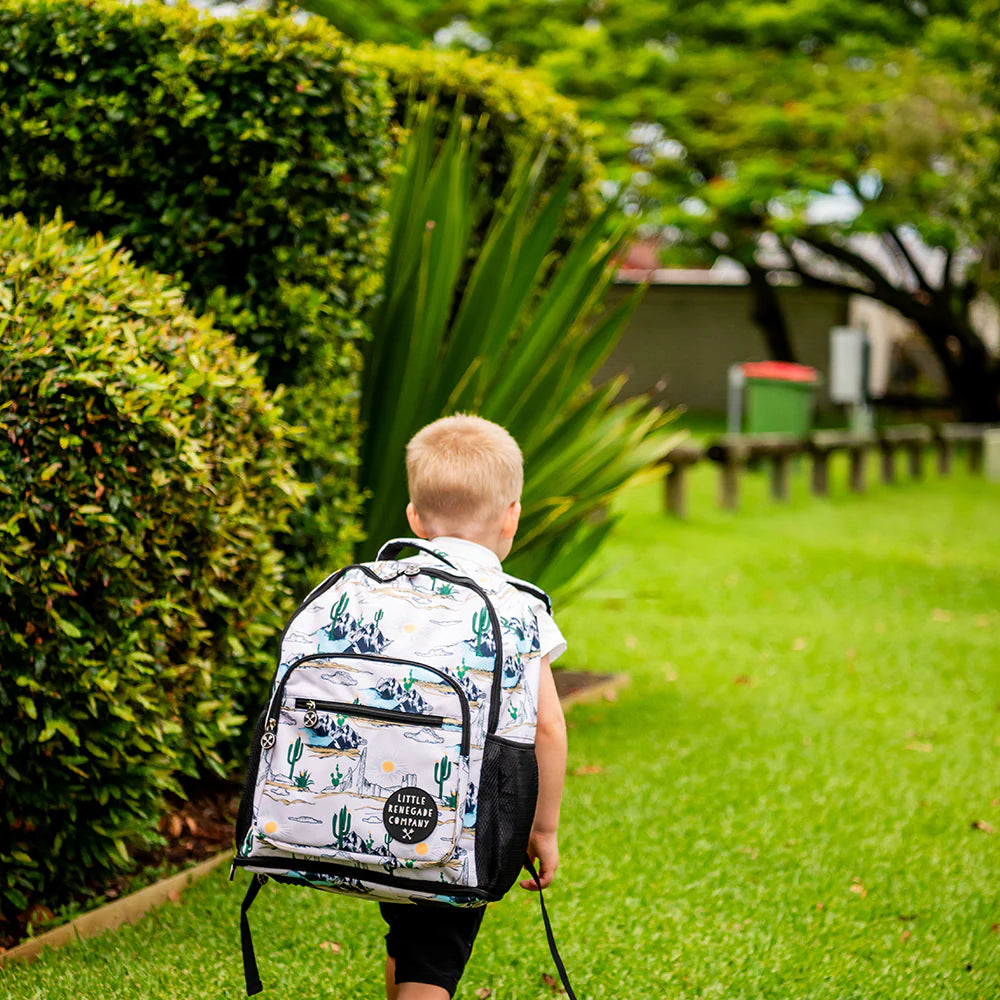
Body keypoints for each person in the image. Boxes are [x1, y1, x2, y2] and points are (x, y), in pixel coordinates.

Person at [381, 413, 569, 1000]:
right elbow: (548, 728)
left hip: (375, 804)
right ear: (513, 516)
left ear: (413, 517)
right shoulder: (521, 610)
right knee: (433, 953)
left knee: (409, 935)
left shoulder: (379, 587)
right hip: (464, 819)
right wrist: (544, 828)